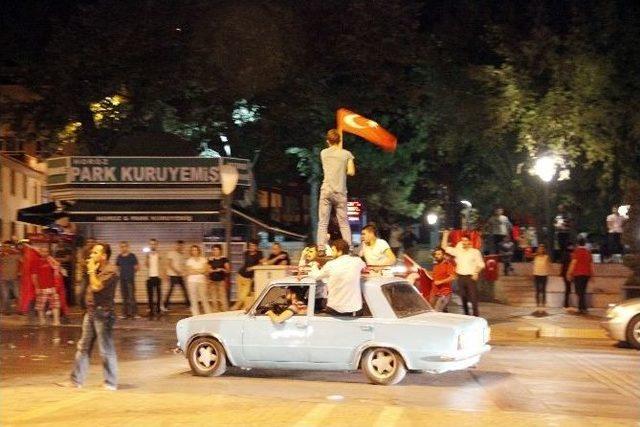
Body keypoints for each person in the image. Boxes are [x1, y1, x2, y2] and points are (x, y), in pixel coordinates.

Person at [58, 243, 119, 390]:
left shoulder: (111, 270)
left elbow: (97, 286)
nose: (92, 255)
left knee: (106, 349)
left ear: (104, 256)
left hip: (103, 314)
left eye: (95, 252)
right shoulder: (96, 269)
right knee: (83, 347)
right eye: (92, 252)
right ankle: (76, 380)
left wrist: (91, 271)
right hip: (91, 312)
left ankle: (111, 383)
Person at [317, 129, 356, 251]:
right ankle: (349, 248)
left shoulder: (323, 153)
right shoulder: (347, 154)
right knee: (343, 223)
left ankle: (321, 248)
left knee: (323, 222)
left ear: (327, 141)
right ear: (340, 141)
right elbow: (351, 172)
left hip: (326, 190)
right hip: (340, 191)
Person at [310, 238, 366, 316]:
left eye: (333, 250)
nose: (331, 253)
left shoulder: (330, 264)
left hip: (335, 309)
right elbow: (364, 266)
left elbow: (315, 276)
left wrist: (314, 265)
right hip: (354, 309)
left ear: (339, 251)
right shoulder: (357, 261)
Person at [441, 229, 485, 317]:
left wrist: (476, 273)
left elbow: (481, 264)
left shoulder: (475, 252)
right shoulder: (458, 251)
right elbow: (444, 247)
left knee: (473, 299)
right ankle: (467, 316)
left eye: (465, 240)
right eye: (462, 240)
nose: (463, 242)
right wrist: (445, 235)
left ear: (469, 241)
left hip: (470, 277)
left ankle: (476, 317)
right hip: (460, 277)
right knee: (463, 298)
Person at [33, 246, 62, 326]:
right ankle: (42, 321)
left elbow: (57, 267)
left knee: (55, 304)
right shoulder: (36, 261)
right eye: (43, 251)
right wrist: (36, 287)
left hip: (52, 287)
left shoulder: (51, 261)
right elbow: (34, 276)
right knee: (40, 306)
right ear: (40, 252)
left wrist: (50, 258)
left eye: (46, 252)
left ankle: (56, 321)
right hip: (42, 287)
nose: (44, 253)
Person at [231, 240, 263, 310]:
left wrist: (253, 267)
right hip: (240, 275)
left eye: (253, 245)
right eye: (250, 245)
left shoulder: (259, 254)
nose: (251, 247)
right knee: (240, 295)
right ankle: (241, 310)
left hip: (248, 278)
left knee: (243, 295)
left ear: (256, 247)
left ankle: (235, 307)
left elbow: (261, 264)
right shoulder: (246, 253)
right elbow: (248, 262)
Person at [566, 237, 594, 315]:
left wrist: (568, 273)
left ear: (578, 244)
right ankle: (582, 308)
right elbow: (591, 264)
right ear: (584, 244)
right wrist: (592, 275)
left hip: (578, 274)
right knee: (582, 291)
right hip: (586, 275)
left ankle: (582, 308)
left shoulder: (576, 252)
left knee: (579, 292)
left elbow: (573, 263)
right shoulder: (588, 252)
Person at [185, 245, 211, 316]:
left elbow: (206, 270)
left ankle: (209, 315)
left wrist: (196, 270)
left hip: (202, 281)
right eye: (193, 250)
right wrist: (200, 271)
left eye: (196, 250)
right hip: (192, 282)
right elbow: (189, 271)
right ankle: (195, 315)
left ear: (199, 251)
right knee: (193, 299)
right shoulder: (189, 261)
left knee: (204, 298)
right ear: (191, 251)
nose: (194, 251)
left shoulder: (203, 259)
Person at [115, 241, 139, 319]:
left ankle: (134, 314)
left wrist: (131, 273)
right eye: (122, 246)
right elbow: (117, 267)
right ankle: (124, 314)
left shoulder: (132, 256)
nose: (123, 248)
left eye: (125, 246)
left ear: (128, 247)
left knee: (132, 297)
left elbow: (137, 267)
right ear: (120, 247)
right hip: (122, 280)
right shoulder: (119, 257)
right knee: (124, 297)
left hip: (130, 279)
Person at [164, 240, 189, 310]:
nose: (180, 247)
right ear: (176, 245)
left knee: (184, 289)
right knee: (171, 290)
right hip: (173, 275)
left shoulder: (182, 254)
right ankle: (165, 306)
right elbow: (169, 264)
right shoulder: (171, 253)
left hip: (180, 275)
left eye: (182, 246)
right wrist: (176, 272)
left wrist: (184, 273)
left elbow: (182, 265)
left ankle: (188, 305)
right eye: (179, 245)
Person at [429, 248, 455, 312]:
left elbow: (452, 277)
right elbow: (435, 276)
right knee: (431, 311)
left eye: (439, 254)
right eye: (436, 254)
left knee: (437, 311)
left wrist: (440, 282)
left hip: (444, 293)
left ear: (443, 255)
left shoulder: (448, 264)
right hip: (434, 293)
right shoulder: (435, 265)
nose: (436, 256)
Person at [144, 239, 163, 320]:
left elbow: (162, 264)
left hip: (157, 277)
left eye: (154, 244)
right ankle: (151, 311)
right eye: (151, 244)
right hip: (150, 277)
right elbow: (146, 265)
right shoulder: (147, 255)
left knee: (158, 295)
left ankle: (158, 310)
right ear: (150, 245)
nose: (153, 245)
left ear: (156, 245)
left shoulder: (159, 254)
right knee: (150, 295)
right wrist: (148, 256)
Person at [0, 242, 21, 314]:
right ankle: (6, 310)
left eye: (8, 246)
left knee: (17, 294)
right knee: (5, 296)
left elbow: (24, 261)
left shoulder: (16, 255)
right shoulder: (1, 256)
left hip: (14, 278)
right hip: (3, 279)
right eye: (4, 246)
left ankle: (20, 309)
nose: (6, 248)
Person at [207, 244, 229, 312]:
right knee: (213, 299)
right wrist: (213, 270)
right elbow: (208, 270)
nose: (215, 251)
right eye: (214, 250)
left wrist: (222, 269)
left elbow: (228, 270)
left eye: (217, 250)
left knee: (223, 298)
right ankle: (215, 312)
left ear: (220, 250)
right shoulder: (210, 259)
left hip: (221, 281)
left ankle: (225, 312)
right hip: (212, 281)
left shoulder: (224, 259)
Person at [532, 244, 551, 316]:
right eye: (539, 248)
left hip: (544, 275)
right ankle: (537, 306)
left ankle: (543, 307)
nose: (541, 249)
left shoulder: (546, 257)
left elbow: (549, 265)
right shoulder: (535, 256)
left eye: (542, 248)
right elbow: (529, 257)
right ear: (538, 249)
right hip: (536, 274)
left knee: (543, 291)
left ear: (544, 250)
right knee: (537, 291)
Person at [559, 244, 574, 310]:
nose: (572, 247)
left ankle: (566, 304)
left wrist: (561, 272)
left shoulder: (565, 254)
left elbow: (562, 264)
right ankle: (566, 304)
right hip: (568, 273)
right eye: (571, 246)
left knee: (568, 288)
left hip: (565, 273)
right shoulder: (570, 254)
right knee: (568, 289)